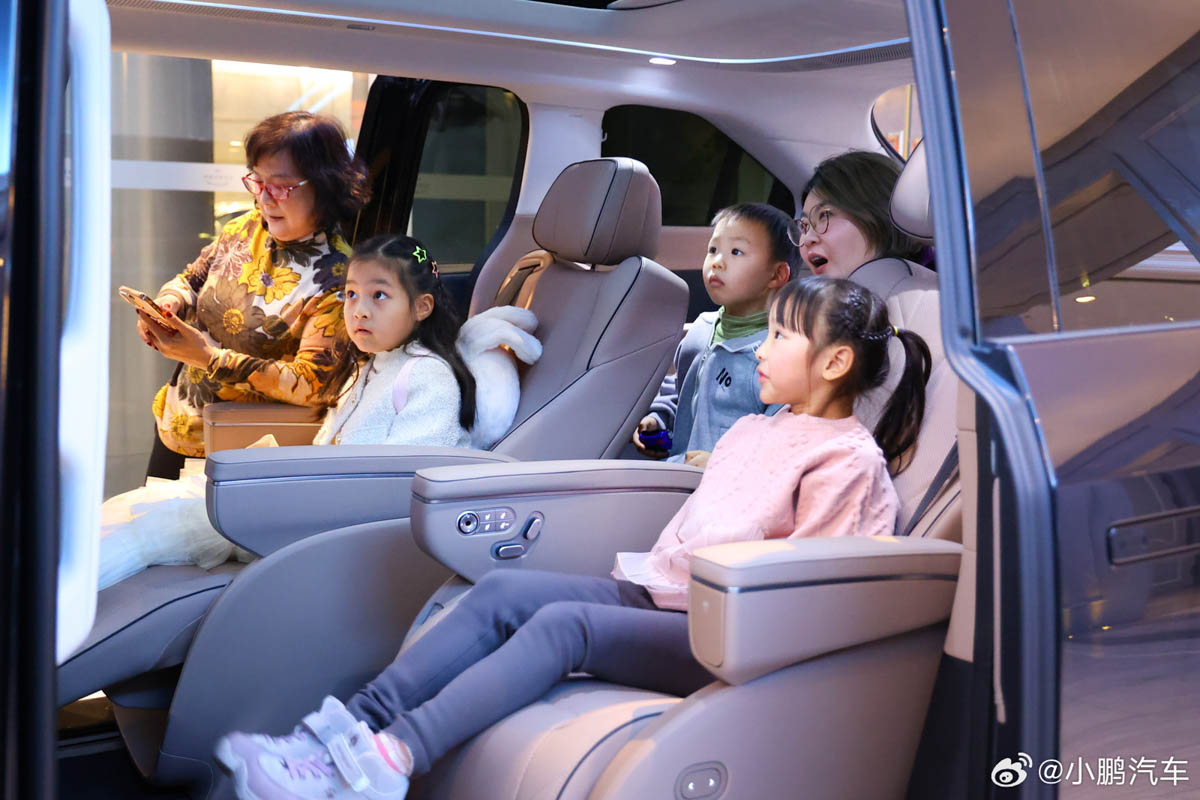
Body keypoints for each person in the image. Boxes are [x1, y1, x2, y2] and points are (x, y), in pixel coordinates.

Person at [213, 274, 932, 800]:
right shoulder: (755, 428)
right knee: (501, 592)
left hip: (730, 638)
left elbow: (818, 594)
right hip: (664, 597)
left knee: (564, 628)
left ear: (835, 363)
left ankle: (389, 761)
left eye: (781, 337)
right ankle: (337, 735)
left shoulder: (846, 460)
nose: (763, 350)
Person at [99, 235, 541, 591]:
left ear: (421, 307)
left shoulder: (429, 378)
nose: (359, 310)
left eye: (379, 295)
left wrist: (297, 493)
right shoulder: (372, 365)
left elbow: (404, 485)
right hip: (319, 505)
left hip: (338, 527)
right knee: (139, 508)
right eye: (351, 294)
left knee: (150, 531)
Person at [137, 111, 370, 477]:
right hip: (178, 424)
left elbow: (313, 384)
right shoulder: (243, 229)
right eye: (257, 181)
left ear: (324, 186)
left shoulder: (340, 277)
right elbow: (193, 280)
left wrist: (209, 358)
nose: (264, 198)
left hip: (248, 449)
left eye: (280, 186)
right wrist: (169, 304)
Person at [632, 202, 798, 468]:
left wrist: (725, 462)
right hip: (681, 473)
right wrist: (659, 417)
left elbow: (781, 438)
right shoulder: (701, 330)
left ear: (776, 275)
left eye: (736, 252)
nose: (717, 262)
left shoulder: (777, 355)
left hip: (731, 484)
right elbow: (682, 389)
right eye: (713, 250)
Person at [791, 150, 926, 280]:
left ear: (879, 213)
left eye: (825, 215)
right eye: (804, 226)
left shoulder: (929, 291)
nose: (807, 240)